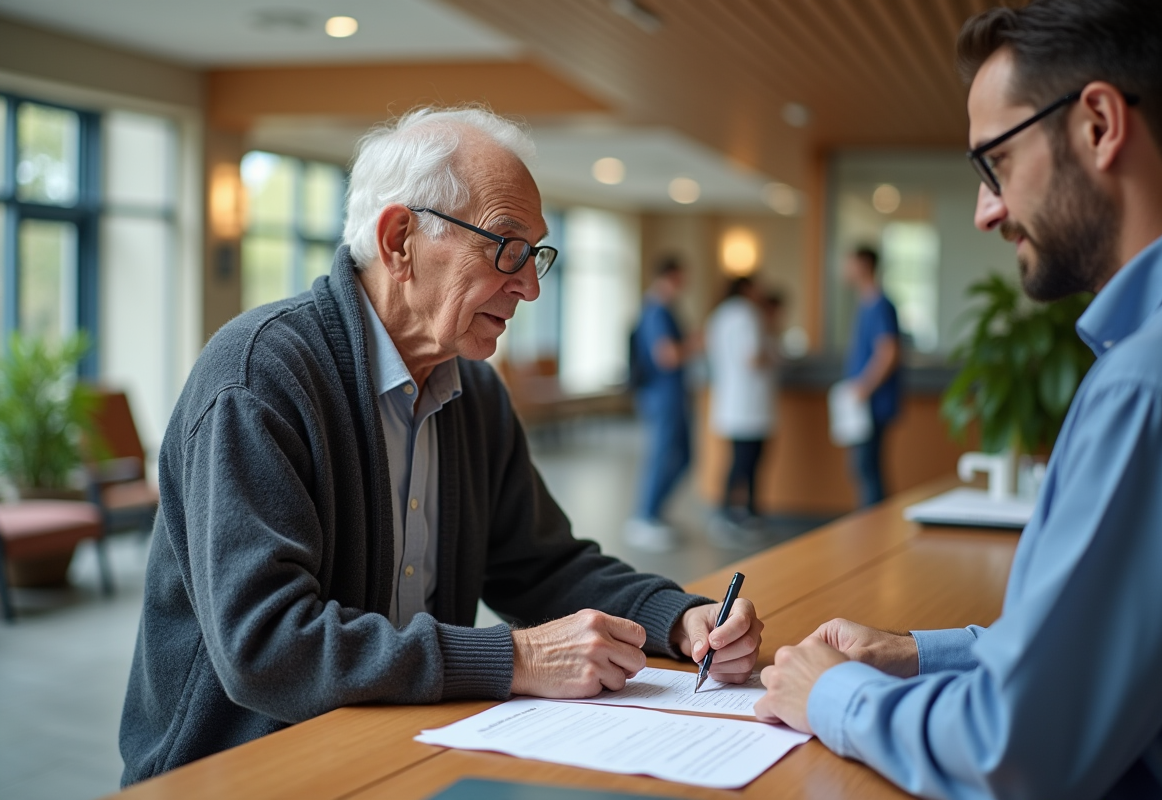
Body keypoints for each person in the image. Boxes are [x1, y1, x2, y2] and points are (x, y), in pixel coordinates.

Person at [119, 108, 763, 785]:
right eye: (506, 246)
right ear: (400, 240)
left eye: (536, 253)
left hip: (399, 743)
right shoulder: (260, 379)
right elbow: (268, 647)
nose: (530, 286)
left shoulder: (475, 393)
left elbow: (541, 566)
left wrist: (681, 618)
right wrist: (514, 659)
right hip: (237, 772)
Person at [754, 1, 1162, 798]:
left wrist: (830, 694)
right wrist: (916, 654)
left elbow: (1015, 753)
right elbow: (1117, 647)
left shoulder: (1152, 384)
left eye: (994, 163)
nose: (986, 210)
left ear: (1098, 124)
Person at [625, 256, 693, 552]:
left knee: (684, 455)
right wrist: (698, 343)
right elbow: (668, 356)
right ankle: (644, 517)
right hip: (661, 394)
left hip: (670, 393)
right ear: (671, 276)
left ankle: (654, 513)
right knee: (663, 455)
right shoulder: (657, 311)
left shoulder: (662, 310)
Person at [704, 276, 778, 546]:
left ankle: (738, 513)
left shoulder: (720, 315)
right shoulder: (747, 314)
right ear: (747, 288)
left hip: (732, 402)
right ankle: (735, 514)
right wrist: (775, 356)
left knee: (739, 460)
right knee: (746, 462)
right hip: (749, 404)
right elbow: (753, 357)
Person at [842, 246, 902, 508]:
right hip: (863, 403)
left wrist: (864, 387)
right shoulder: (865, 303)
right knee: (863, 467)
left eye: (850, 263)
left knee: (867, 467)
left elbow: (888, 352)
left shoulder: (880, 305)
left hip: (873, 403)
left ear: (864, 265)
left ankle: (873, 530)